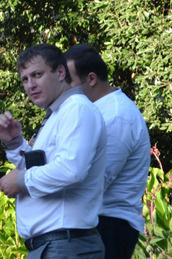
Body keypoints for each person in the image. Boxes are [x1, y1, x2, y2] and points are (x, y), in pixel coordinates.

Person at [0, 44, 107, 258]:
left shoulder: (77, 109)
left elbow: (71, 170)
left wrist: (21, 181)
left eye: (37, 75)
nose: (30, 85)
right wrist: (15, 143)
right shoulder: (57, 113)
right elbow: (43, 168)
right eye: (25, 79)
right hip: (53, 246)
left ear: (60, 72)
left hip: (65, 245)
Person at [65, 44, 151, 259]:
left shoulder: (115, 116)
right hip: (99, 223)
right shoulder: (98, 110)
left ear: (91, 79)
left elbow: (96, 181)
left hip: (110, 225)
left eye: (69, 82)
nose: (64, 89)